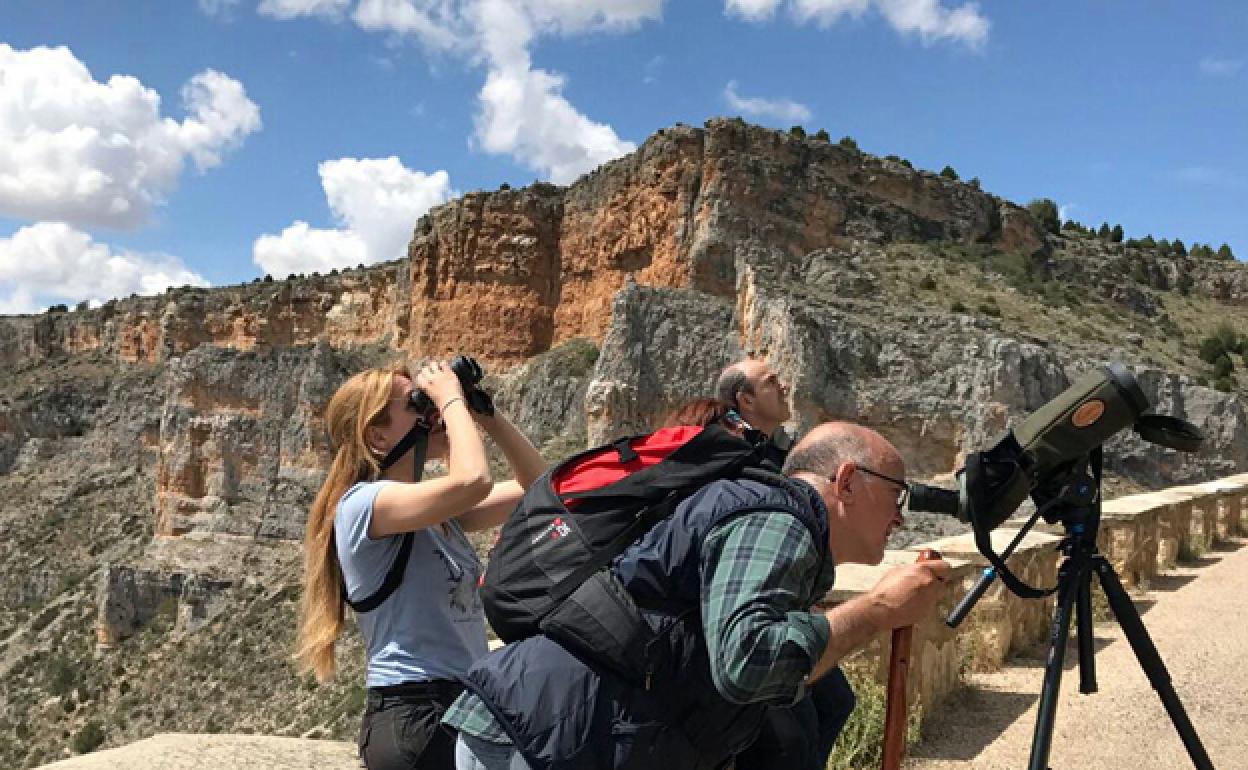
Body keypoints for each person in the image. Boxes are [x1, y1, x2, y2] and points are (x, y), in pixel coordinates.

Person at [443, 421, 950, 770]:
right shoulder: (779, 519)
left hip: (557, 733)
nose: (901, 515)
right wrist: (882, 608)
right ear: (847, 481)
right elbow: (751, 664)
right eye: (895, 493)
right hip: (543, 739)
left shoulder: (769, 518)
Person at [296, 359, 546, 770]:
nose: (428, 411)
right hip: (413, 716)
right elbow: (473, 481)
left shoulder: (436, 513)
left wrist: (485, 412)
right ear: (377, 436)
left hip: (458, 706)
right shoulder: (364, 505)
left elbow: (535, 488)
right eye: (415, 405)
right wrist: (448, 400)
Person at [663, 391, 855, 770]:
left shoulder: (747, 486)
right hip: (728, 653)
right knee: (788, 742)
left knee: (834, 703)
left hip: (764, 631)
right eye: (732, 426)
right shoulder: (706, 499)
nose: (744, 436)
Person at [714, 358, 794, 467]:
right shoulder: (726, 454)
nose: (785, 387)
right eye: (771, 382)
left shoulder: (777, 447)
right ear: (746, 401)